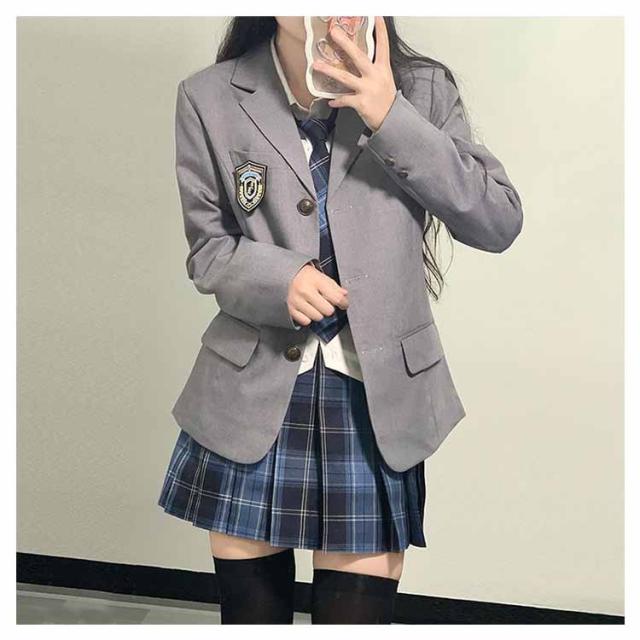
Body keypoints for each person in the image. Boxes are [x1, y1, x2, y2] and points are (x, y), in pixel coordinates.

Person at [158, 16, 523, 624]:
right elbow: (209, 249)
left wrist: (390, 115)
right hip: (250, 399)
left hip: (377, 405)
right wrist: (280, 280)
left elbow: (497, 221)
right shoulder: (209, 95)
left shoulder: (423, 89)